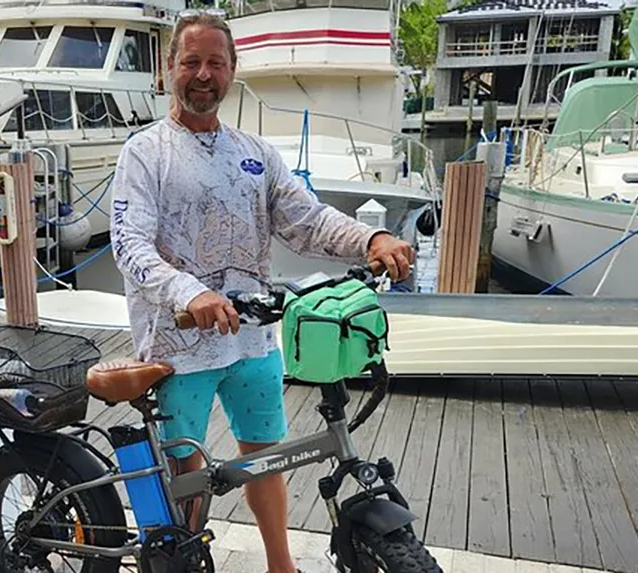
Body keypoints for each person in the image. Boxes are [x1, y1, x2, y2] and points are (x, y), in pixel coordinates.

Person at [108, 10, 415, 573]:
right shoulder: (144, 152)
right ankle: (183, 563)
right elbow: (128, 244)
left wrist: (370, 236)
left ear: (232, 72)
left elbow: (307, 220)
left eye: (216, 64)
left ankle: (282, 566)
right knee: (189, 478)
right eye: (192, 61)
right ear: (169, 67)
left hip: (254, 342)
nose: (204, 74)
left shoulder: (255, 152)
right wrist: (187, 294)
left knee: (266, 460)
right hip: (179, 350)